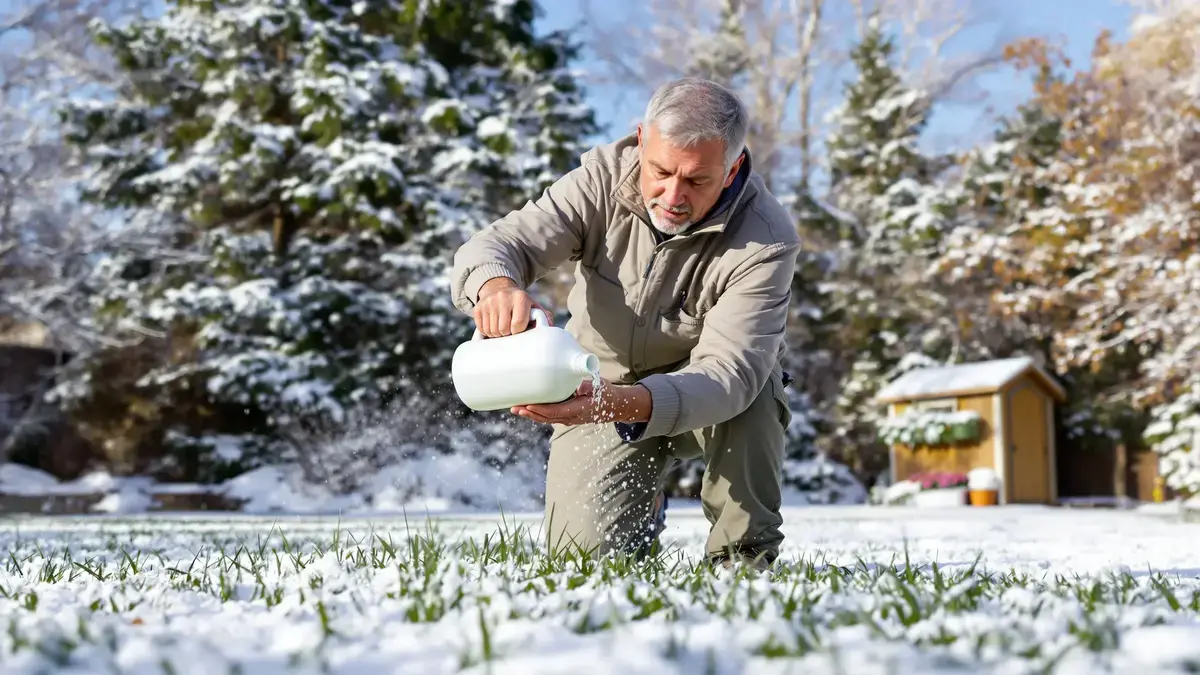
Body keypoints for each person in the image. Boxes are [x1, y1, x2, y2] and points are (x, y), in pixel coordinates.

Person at [449, 77, 801, 571]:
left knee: (758, 388)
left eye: (696, 180)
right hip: (598, 392)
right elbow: (499, 245)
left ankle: (742, 558)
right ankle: (642, 509)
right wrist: (494, 286)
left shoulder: (766, 240)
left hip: (706, 402)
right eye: (660, 171)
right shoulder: (598, 181)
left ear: (733, 168)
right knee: (584, 563)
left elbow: (729, 373)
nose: (673, 195)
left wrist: (629, 403)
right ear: (641, 140)